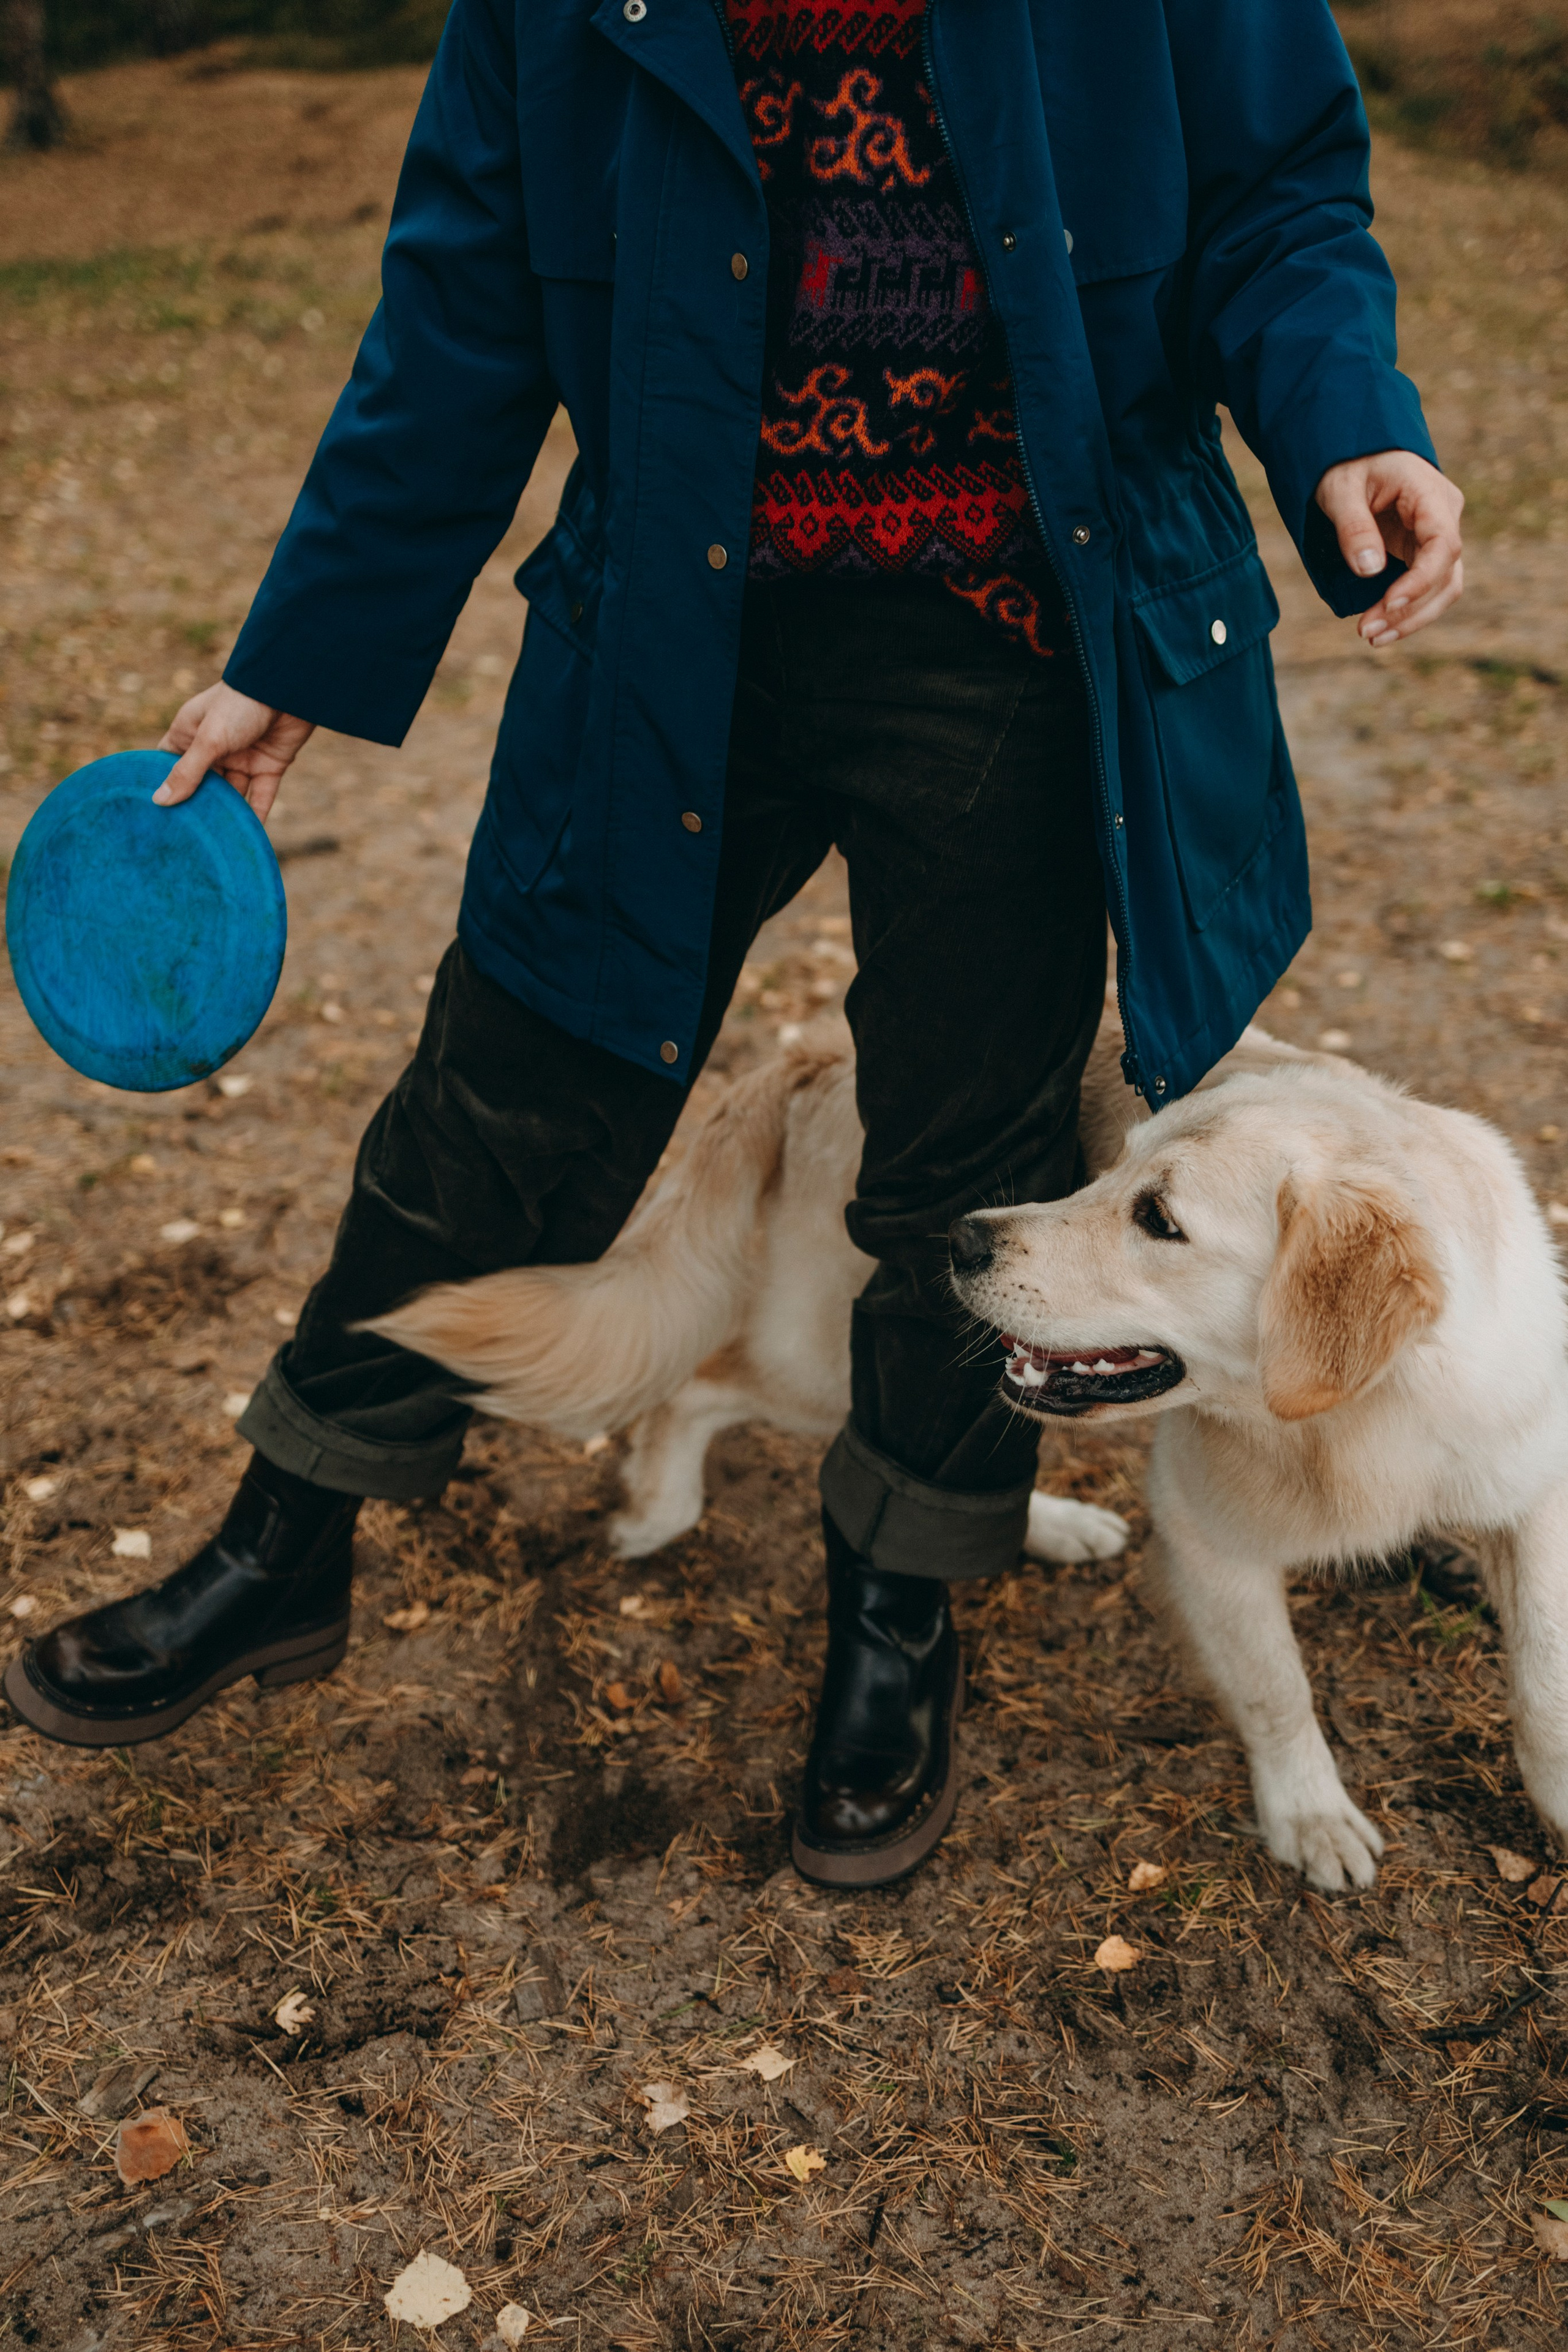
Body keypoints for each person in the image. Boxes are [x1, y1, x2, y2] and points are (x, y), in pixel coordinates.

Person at [6, 0, 1463, 1888]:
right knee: (503, 1093)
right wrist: (295, 662)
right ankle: (286, 1538)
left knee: (968, 1144)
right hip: (674, 629)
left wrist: (1348, 420)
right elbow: (462, 300)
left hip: (1015, 632)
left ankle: (903, 1602)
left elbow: (1279, 197)